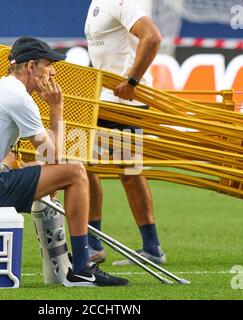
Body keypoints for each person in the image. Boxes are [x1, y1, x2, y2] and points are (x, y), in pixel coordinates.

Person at [0, 36, 128, 287]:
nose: (53, 71)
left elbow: (19, 158)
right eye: (48, 64)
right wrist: (56, 107)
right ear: (30, 67)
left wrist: (34, 172)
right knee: (76, 173)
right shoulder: (18, 97)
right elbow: (55, 157)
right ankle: (82, 267)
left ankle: (64, 264)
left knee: (45, 173)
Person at [84, 0, 166, 265]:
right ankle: (151, 248)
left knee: (82, 168)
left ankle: (93, 244)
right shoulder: (98, 3)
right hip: (108, 101)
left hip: (120, 103)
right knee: (125, 172)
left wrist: (132, 80)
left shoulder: (119, 1)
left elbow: (152, 37)